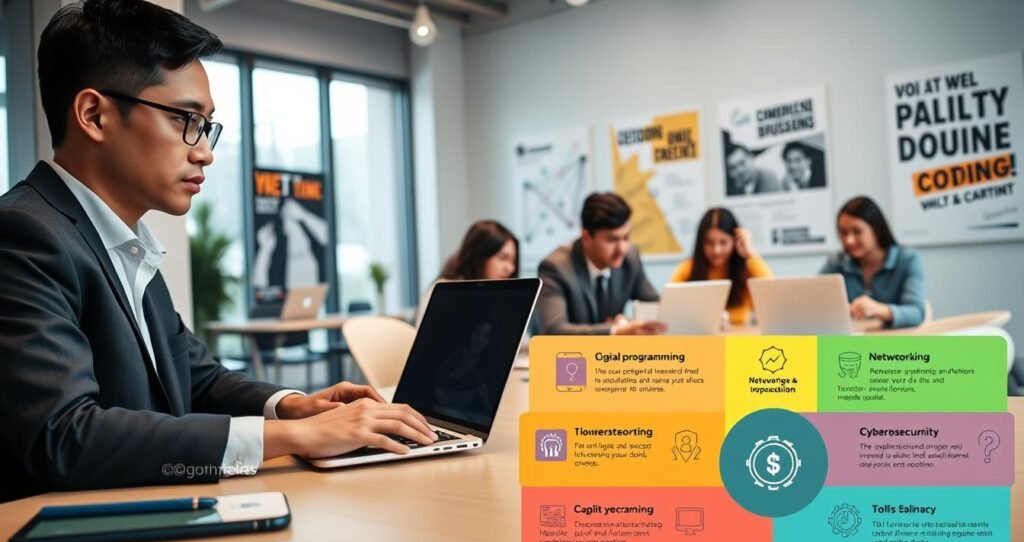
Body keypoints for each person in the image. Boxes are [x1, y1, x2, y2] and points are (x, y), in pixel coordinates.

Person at [0, 0, 435, 503]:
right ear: (94, 115)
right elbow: (65, 438)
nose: (204, 150)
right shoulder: (24, 235)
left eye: (207, 127)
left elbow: (195, 375)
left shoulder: (123, 242)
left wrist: (293, 406)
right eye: (186, 119)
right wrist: (292, 439)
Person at [537, 192, 666, 335]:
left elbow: (657, 307)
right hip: (571, 356)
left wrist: (628, 324)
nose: (621, 249)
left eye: (626, 237)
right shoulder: (556, 267)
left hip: (612, 355)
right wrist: (615, 331)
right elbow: (554, 330)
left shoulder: (630, 258)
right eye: (611, 240)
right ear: (586, 237)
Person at [820, 196, 926, 329]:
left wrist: (879, 310)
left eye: (857, 231)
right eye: (843, 232)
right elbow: (815, 301)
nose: (849, 240)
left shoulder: (908, 259)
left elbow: (917, 313)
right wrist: (838, 309)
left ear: (876, 229)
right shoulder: (836, 262)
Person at [668, 207, 773, 327]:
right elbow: (670, 311)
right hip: (699, 341)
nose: (716, 250)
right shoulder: (686, 269)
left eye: (723, 242)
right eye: (709, 242)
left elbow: (772, 297)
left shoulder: (747, 268)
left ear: (735, 241)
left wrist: (751, 254)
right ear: (700, 242)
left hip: (737, 340)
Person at [416, 220, 518, 326]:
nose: (511, 268)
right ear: (480, 255)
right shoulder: (445, 291)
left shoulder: (500, 297)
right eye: (503, 258)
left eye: (513, 260)